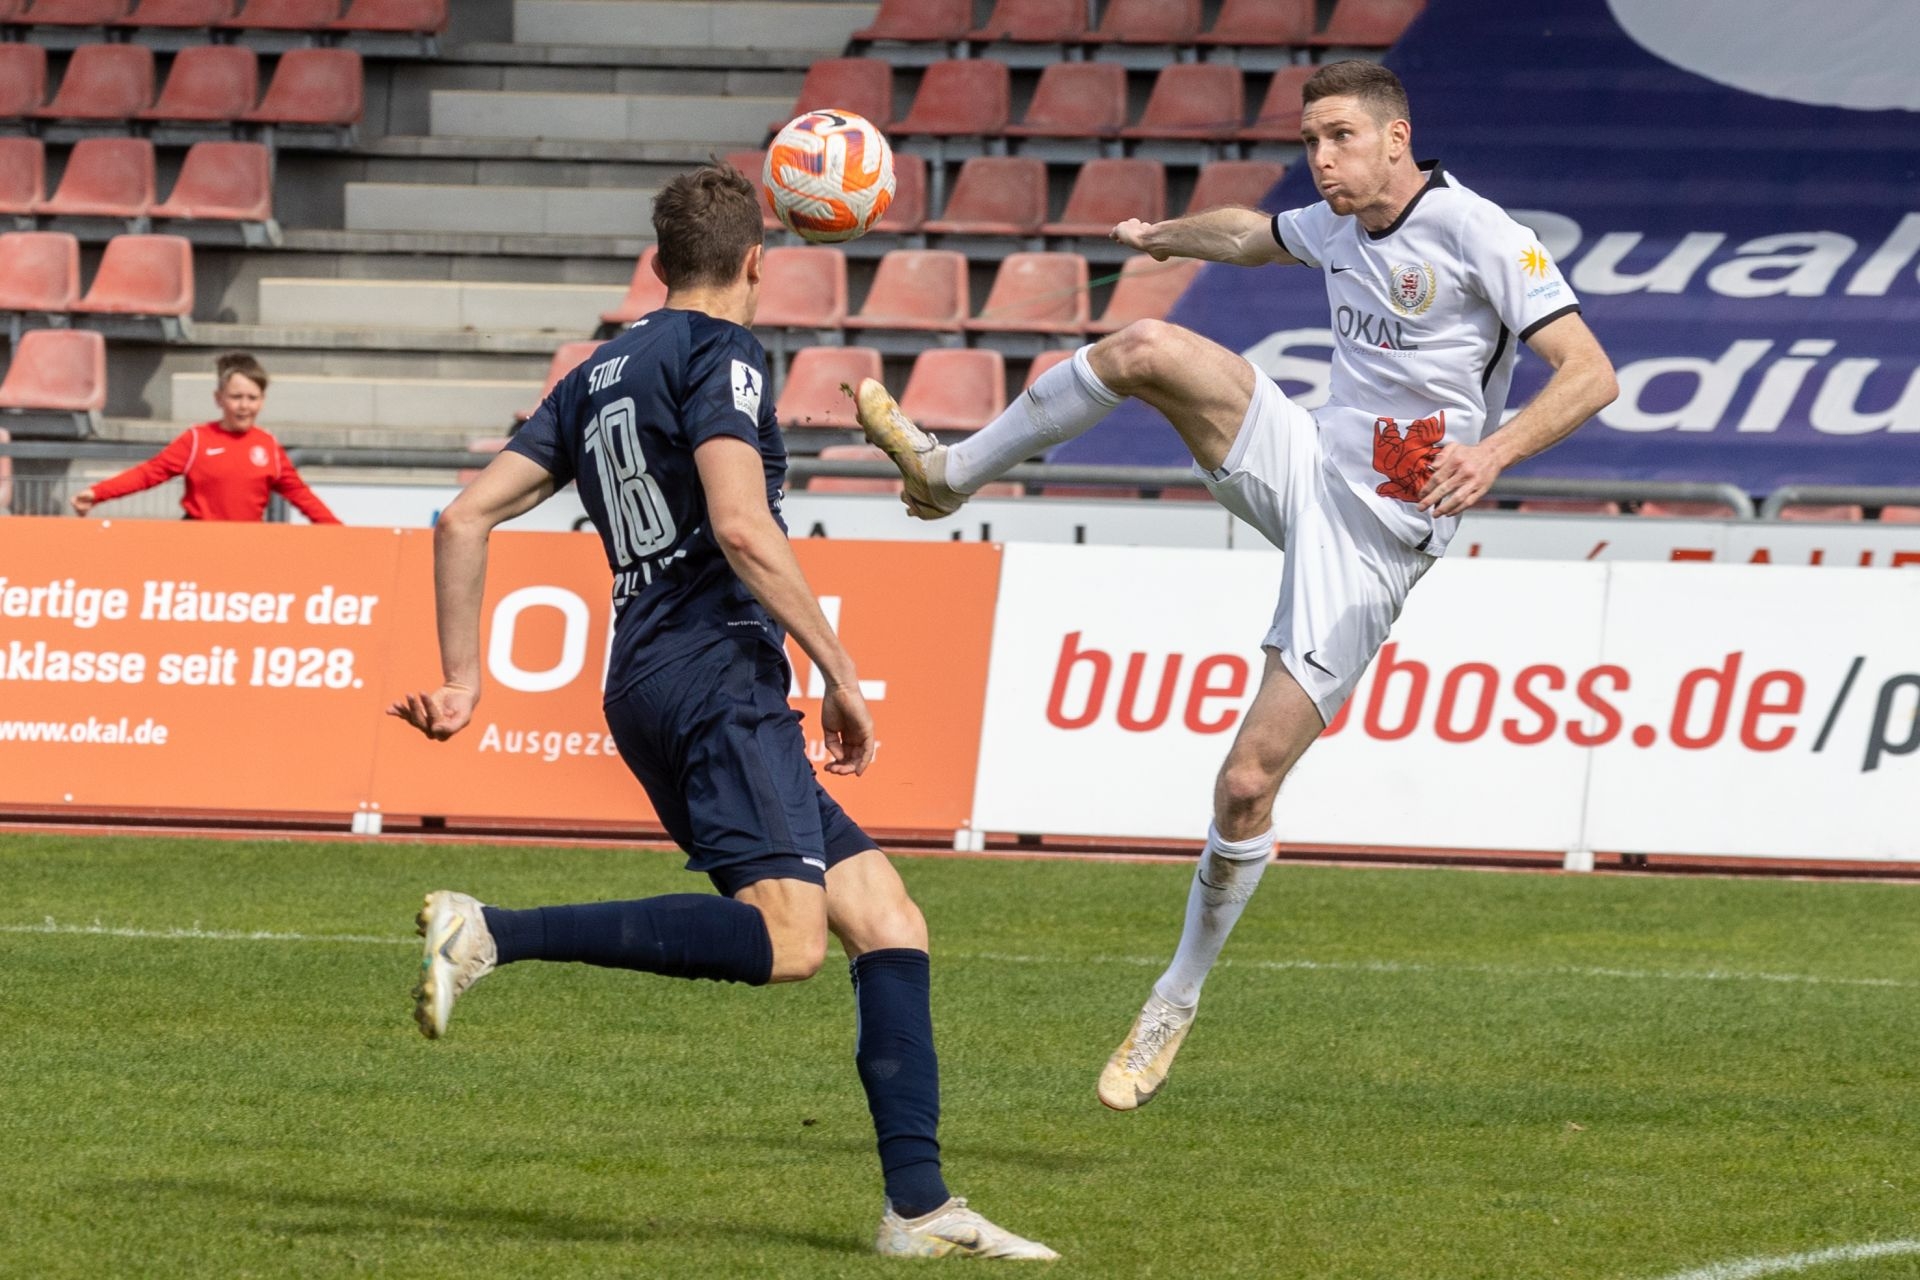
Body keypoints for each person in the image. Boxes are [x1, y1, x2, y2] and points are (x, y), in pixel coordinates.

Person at [854, 60, 1620, 1111]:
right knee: (1144, 346)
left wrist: (1494, 452)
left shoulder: (1481, 231)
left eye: (1341, 138)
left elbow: (1590, 371)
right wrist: (1163, 237)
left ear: (1397, 137)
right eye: (1311, 141)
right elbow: (1251, 235)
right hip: (1308, 461)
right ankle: (947, 474)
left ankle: (1174, 998)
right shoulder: (1338, 223)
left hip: (1379, 537)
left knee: (1247, 783)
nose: (1323, 160)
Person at [387, 165, 1055, 1261]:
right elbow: (744, 527)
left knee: (886, 917)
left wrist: (464, 680)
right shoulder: (724, 353)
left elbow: (463, 518)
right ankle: (492, 932)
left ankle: (920, 1209)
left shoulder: (596, 369)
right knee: (789, 940)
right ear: (757, 260)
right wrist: (840, 669)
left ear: (659, 263)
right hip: (716, 673)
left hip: (646, 675)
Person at [71, 352, 340, 524]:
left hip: (248, 546)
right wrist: (98, 493)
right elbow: (149, 474)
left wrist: (340, 533)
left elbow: (301, 495)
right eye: (236, 397)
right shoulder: (197, 440)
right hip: (197, 542)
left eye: (252, 398)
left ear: (262, 401)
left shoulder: (268, 446)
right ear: (218, 398)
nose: (244, 406)